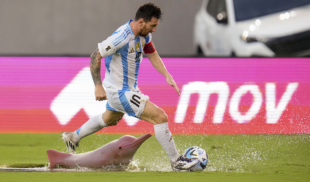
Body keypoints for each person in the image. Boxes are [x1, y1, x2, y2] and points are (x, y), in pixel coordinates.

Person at [62, 3, 198, 171]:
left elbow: (152, 53)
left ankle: (73, 137)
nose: (154, 30)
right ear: (141, 22)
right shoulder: (121, 36)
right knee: (160, 117)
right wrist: (98, 85)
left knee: (109, 119)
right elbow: (95, 56)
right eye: (152, 26)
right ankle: (176, 161)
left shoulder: (144, 35)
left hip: (127, 90)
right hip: (119, 92)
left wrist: (167, 76)